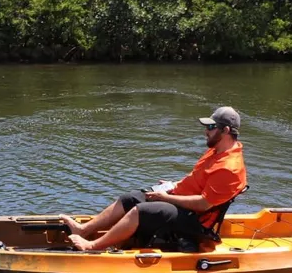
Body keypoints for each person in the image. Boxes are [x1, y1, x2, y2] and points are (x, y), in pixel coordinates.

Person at [61, 106, 248, 251]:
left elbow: (203, 204)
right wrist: (172, 185)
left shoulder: (229, 168)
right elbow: (197, 179)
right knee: (131, 198)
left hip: (196, 220)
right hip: (183, 204)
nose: (205, 131)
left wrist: (165, 197)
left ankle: (92, 246)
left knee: (141, 210)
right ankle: (84, 230)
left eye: (210, 127)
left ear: (225, 130)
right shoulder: (215, 151)